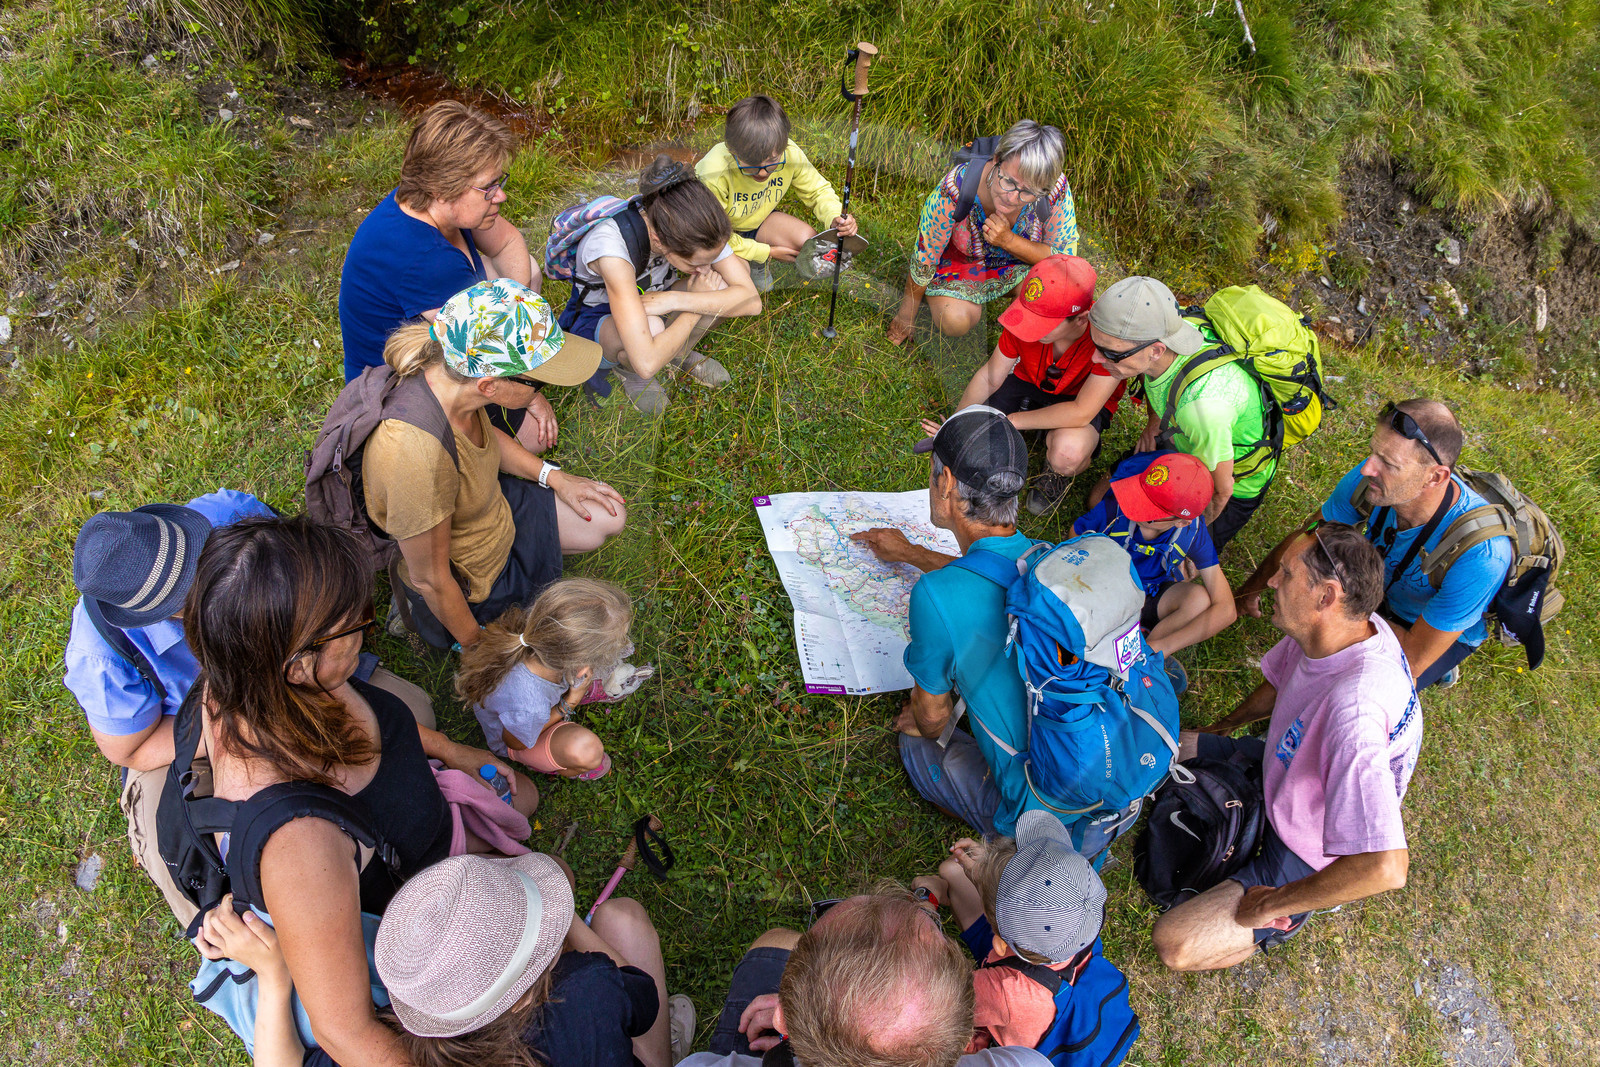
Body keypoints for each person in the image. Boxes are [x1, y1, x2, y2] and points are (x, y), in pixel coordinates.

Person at [186, 517, 535, 1067]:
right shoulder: (300, 848)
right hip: (428, 935)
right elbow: (345, 1033)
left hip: (436, 855)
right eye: (356, 625)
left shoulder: (250, 674)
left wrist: (450, 749)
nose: (364, 633)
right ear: (298, 667)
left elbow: (370, 721)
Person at [65, 491, 438, 924]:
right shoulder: (100, 658)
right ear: (153, 616)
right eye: (195, 603)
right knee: (210, 889)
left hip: (288, 671)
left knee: (415, 714)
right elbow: (130, 750)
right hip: (189, 733)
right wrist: (242, 716)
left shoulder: (228, 514)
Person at [853, 407, 1133, 858]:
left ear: (946, 484)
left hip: (1037, 824)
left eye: (931, 474)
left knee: (914, 745)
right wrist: (909, 552)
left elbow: (932, 717)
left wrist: (925, 725)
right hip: (1106, 774)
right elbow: (989, 576)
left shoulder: (936, 596)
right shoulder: (1049, 556)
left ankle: (1001, 841)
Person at [1151, 524, 1419, 971]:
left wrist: (1271, 903)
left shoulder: (1355, 712)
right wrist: (1224, 728)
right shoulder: (1339, 630)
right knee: (1164, 747)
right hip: (1284, 766)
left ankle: (1294, 914)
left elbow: (1385, 866)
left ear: (1326, 596)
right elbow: (1280, 683)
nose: (1271, 581)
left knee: (1174, 943)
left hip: (1308, 844)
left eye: (1286, 575)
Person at [366, 280, 627, 652]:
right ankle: (427, 618)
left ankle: (526, 574)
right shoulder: (413, 455)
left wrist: (554, 476)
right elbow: (431, 578)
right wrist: (479, 647)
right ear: (490, 386)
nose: (543, 392)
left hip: (494, 510)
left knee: (609, 516)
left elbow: (486, 439)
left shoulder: (450, 383)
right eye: (538, 382)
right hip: (473, 577)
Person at [1234, 399, 1514, 690]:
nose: (1368, 468)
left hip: (1420, 628)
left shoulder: (1482, 556)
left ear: (1435, 477)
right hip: (1379, 592)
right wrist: (1249, 590)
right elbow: (1308, 538)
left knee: (1357, 686)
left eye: (1389, 464)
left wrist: (1343, 615)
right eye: (1373, 453)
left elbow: (1415, 657)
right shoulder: (1372, 480)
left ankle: (1443, 657)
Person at [337, 102, 557, 449]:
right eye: (488, 187)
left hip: (443, 333)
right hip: (395, 386)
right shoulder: (427, 259)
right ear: (442, 188)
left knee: (527, 267)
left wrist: (512, 306)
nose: (500, 195)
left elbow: (509, 242)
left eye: (499, 182)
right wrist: (527, 394)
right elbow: (473, 357)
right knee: (535, 439)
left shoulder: (427, 204)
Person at [372, 852, 696, 1067]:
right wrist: (564, 917)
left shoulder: (404, 1042)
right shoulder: (586, 984)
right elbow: (644, 1000)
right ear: (522, 999)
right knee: (622, 917)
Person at [681, 886, 1053, 1067]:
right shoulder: (1024, 1064)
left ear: (784, 1021)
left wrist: (803, 1014)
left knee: (776, 942)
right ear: (961, 1036)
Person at [1085, 276, 1276, 552]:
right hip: (1179, 442)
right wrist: (1153, 423)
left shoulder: (1203, 409)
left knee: (1173, 566)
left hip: (1231, 481)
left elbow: (1222, 490)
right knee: (1098, 503)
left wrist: (1192, 538)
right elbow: (1158, 383)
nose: (1095, 359)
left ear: (1156, 350)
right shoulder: (1175, 333)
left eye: (1110, 354)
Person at [561, 156, 762, 415]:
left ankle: (678, 355)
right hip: (599, 320)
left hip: (655, 299)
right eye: (697, 263)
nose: (704, 268)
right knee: (656, 327)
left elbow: (752, 302)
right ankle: (627, 368)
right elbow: (645, 362)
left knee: (728, 280)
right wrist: (693, 310)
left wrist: (679, 300)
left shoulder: (695, 223)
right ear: (659, 239)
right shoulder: (612, 249)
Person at [936, 255, 1124, 513]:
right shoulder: (1025, 320)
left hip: (1080, 402)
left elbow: (1082, 411)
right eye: (1028, 315)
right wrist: (956, 425)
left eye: (1041, 323)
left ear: (1081, 319)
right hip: (1028, 382)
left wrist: (1012, 421)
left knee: (1068, 453)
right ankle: (1030, 427)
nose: (1028, 328)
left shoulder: (1108, 341)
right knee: (980, 429)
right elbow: (991, 376)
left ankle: (1055, 473)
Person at [913, 812, 1106, 1053]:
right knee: (952, 870)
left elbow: (931, 989)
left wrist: (925, 899)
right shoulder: (1078, 919)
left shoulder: (1005, 992)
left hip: (1010, 1010)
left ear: (1000, 944)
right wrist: (991, 866)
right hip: (1037, 974)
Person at [888, 121, 1079, 343]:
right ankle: (948, 299)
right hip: (959, 264)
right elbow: (926, 254)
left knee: (1049, 288)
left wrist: (1009, 241)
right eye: (1008, 181)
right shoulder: (955, 188)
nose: (1012, 198)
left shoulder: (1055, 191)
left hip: (1017, 267)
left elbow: (1064, 261)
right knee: (954, 321)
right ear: (996, 159)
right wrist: (906, 314)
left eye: (1028, 192)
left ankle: (1017, 343)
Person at [456, 577, 656, 783]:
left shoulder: (542, 633)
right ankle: (558, 764)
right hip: (518, 739)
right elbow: (515, 742)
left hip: (529, 707)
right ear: (579, 662)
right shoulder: (530, 707)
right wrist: (568, 703)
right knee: (588, 752)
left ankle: (580, 687)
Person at [1071, 451, 1236, 659]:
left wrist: (1162, 646)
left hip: (1148, 597)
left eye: (1149, 512)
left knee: (1199, 599)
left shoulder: (1192, 533)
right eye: (1140, 495)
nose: (1133, 506)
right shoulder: (1116, 508)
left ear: (1182, 521)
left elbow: (1227, 609)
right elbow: (1075, 536)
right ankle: (1122, 642)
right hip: (1102, 589)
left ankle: (1143, 654)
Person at [694, 94, 858, 292]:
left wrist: (834, 217)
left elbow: (817, 191)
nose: (762, 173)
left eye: (772, 162)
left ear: (783, 145)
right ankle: (746, 264)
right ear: (732, 150)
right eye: (752, 164)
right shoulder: (714, 172)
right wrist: (767, 252)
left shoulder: (791, 154)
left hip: (759, 223)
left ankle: (755, 263)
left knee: (808, 242)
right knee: (738, 285)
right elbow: (712, 235)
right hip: (718, 234)